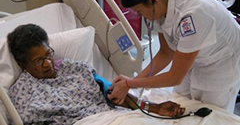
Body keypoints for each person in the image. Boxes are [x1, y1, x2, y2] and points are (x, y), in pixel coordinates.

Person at [108, 0, 240, 113]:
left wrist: (130, 83)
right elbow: (166, 53)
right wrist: (132, 82)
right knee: (181, 104)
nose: (140, 16)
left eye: (139, 11)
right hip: (194, 57)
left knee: (211, 115)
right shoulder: (163, 3)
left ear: (153, 1)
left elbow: (175, 77)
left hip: (222, 62)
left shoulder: (193, 15)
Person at [7, 24, 185, 125]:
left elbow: (112, 93)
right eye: (38, 61)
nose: (47, 63)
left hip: (112, 118)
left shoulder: (74, 68)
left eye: (48, 54)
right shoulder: (23, 92)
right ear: (23, 64)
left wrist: (154, 108)